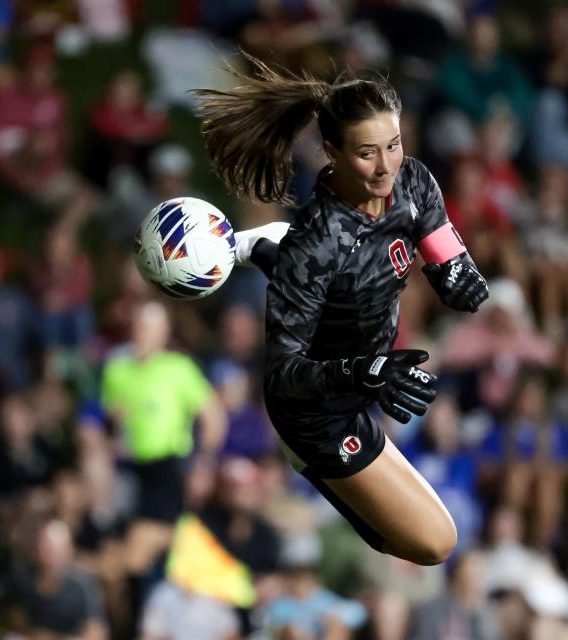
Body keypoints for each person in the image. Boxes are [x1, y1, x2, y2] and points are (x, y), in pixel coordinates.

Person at [193, 57, 490, 565]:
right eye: (367, 153)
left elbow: (441, 243)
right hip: (315, 413)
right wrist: (364, 371)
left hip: (362, 377)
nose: (385, 167)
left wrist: (458, 273)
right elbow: (284, 372)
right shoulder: (318, 243)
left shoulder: (412, 181)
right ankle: (309, 467)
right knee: (434, 544)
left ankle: (268, 249)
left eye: (393, 146)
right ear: (330, 152)